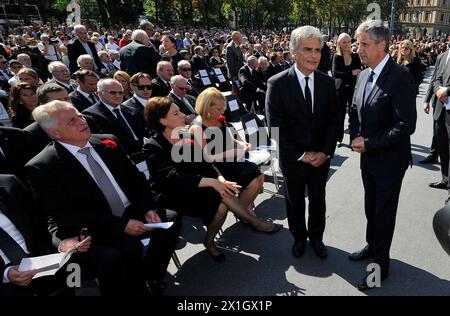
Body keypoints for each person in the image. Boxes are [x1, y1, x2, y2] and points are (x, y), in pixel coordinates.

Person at [25, 101, 180, 295]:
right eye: (72, 121)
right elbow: (65, 214)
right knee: (122, 254)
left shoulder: (107, 141)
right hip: (96, 226)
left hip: (132, 211)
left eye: (80, 115)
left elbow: (137, 181)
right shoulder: (43, 166)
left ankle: (151, 275)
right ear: (55, 133)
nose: (82, 121)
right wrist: (120, 225)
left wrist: (149, 208)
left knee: (171, 219)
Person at [143, 97, 281, 262]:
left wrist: (220, 178)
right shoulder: (153, 146)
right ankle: (250, 223)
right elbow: (172, 177)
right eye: (176, 113)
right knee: (221, 205)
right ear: (163, 120)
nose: (183, 115)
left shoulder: (185, 135)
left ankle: (212, 239)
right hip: (173, 193)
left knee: (223, 194)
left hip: (197, 183)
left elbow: (205, 164)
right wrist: (212, 182)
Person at [348, 20, 416, 291]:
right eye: (358, 43)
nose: (358, 48)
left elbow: (405, 126)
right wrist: (355, 136)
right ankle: (371, 245)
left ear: (382, 45)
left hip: (389, 160)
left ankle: (379, 268)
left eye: (364, 44)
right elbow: (355, 109)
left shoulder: (400, 77)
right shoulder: (364, 74)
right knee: (370, 208)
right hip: (368, 157)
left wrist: (370, 144)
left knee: (383, 213)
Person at [265, 26, 339, 260]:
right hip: (293, 158)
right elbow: (275, 128)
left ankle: (316, 239)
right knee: (295, 201)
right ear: (293, 51)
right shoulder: (277, 84)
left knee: (318, 200)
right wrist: (300, 154)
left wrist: (326, 152)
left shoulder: (327, 82)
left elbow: (334, 121)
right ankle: (298, 238)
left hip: (320, 158)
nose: (314, 55)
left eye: (317, 50)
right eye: (308, 49)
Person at [0, 174, 86, 296]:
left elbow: (43, 222)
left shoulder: (9, 183)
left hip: (39, 259)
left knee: (75, 268)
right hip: (5, 275)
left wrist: (61, 243)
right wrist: (5, 273)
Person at [190, 88, 265, 219]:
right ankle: (243, 213)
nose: (223, 111)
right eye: (219, 109)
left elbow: (230, 138)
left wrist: (240, 144)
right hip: (215, 168)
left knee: (260, 176)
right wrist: (231, 153)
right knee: (252, 182)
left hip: (231, 160)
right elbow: (207, 158)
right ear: (207, 107)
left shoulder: (219, 119)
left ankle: (244, 208)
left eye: (223, 107)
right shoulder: (197, 127)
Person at [82, 78, 150, 155]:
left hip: (146, 152)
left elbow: (145, 132)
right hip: (121, 156)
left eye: (121, 93)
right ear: (99, 93)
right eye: (113, 93)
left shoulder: (132, 111)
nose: (118, 96)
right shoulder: (91, 115)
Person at [332, 33, 362, 147]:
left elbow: (358, 71)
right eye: (344, 42)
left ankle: (353, 139)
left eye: (348, 41)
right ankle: (339, 139)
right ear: (339, 43)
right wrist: (351, 73)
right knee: (340, 115)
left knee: (353, 115)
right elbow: (335, 73)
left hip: (354, 88)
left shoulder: (355, 56)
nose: (347, 44)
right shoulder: (336, 56)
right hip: (340, 90)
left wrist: (347, 74)